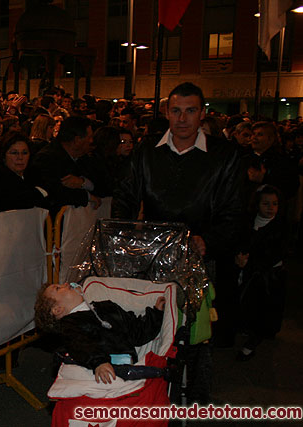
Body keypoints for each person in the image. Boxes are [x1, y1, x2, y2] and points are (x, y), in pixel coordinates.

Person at [112, 82, 244, 403]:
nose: (182, 118)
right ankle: (150, 390)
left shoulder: (225, 155)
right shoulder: (146, 151)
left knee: (195, 334)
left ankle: (193, 398)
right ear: (166, 112)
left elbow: (234, 211)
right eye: (176, 111)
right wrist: (126, 237)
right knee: (152, 324)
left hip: (201, 255)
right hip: (153, 254)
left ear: (202, 114)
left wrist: (207, 241)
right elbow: (125, 199)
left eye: (190, 111)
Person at [34, 282, 167, 384]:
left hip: (127, 365)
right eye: (58, 288)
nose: (66, 284)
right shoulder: (70, 324)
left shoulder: (107, 307)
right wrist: (99, 362)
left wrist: (155, 314)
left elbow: (136, 332)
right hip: (105, 368)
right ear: (58, 309)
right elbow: (81, 344)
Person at [235, 185, 288, 361]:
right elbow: (242, 241)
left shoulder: (280, 227)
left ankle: (253, 342)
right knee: (249, 305)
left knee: (263, 309)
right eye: (266, 203)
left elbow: (277, 252)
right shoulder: (249, 221)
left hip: (269, 276)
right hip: (251, 273)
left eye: (274, 203)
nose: (270, 207)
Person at [27, 116, 104, 211]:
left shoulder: (85, 158)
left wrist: (83, 183)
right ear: (77, 140)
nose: (91, 141)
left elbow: (104, 183)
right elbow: (54, 192)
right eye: (90, 137)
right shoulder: (46, 159)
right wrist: (86, 196)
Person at [0, 131, 50, 211]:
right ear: (3, 156)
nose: (20, 157)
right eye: (14, 153)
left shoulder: (34, 175)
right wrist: (38, 193)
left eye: (24, 153)